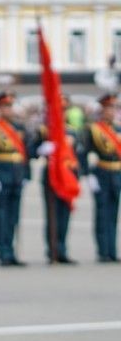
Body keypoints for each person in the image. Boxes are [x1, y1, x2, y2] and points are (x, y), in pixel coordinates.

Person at [0, 91, 34, 266]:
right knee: (2, 215)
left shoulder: (20, 128)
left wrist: (27, 174)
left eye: (10, 106)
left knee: (14, 216)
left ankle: (12, 252)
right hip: (0, 175)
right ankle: (3, 250)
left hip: (17, 176)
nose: (8, 109)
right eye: (5, 106)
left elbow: (26, 153)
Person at [35, 120, 81, 265]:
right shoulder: (44, 130)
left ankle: (62, 250)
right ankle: (52, 250)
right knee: (52, 215)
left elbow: (78, 154)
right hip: (51, 177)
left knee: (64, 216)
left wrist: (81, 173)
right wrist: (42, 149)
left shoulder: (71, 131)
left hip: (67, 176)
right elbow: (31, 151)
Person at [83, 93, 121, 263]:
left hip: (117, 174)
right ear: (102, 110)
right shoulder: (94, 129)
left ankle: (112, 250)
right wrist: (90, 175)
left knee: (113, 214)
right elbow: (85, 153)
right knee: (102, 213)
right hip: (101, 173)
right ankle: (103, 251)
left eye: (113, 108)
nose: (111, 112)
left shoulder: (118, 129)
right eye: (108, 108)